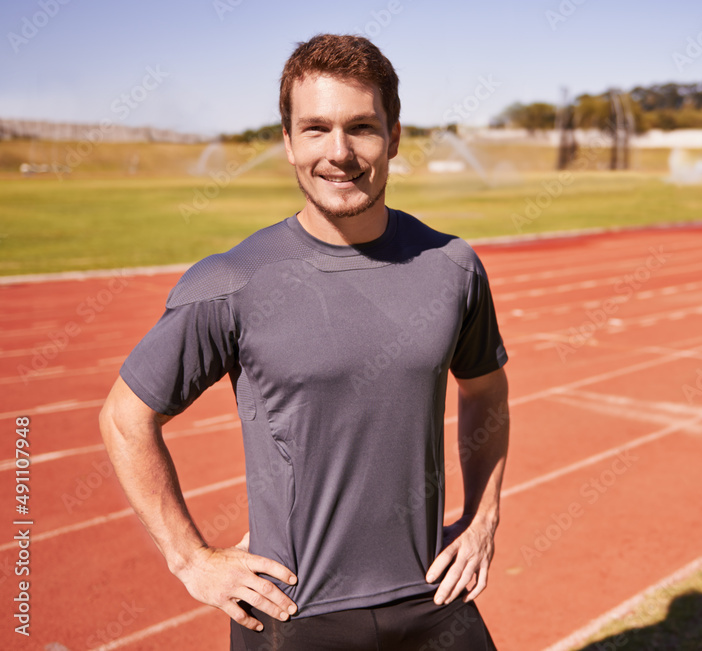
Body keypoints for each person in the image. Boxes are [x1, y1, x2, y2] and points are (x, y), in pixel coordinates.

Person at [99, 34, 509, 651]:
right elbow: (125, 419)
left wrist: (483, 518)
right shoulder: (231, 282)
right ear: (289, 142)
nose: (339, 153)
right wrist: (190, 559)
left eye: (362, 127)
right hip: (295, 616)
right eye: (315, 128)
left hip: (433, 601)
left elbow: (485, 391)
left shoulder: (452, 266)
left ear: (394, 137)